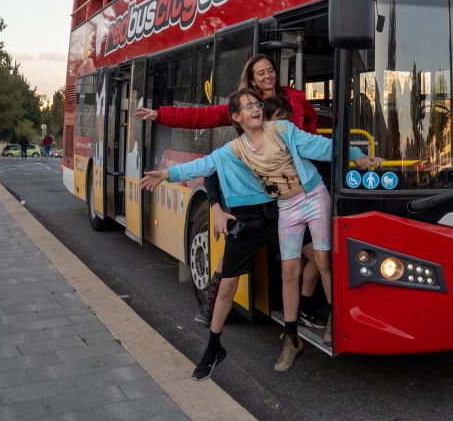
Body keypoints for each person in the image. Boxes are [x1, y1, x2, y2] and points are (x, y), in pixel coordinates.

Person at [141, 90, 376, 377]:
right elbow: (204, 166)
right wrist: (166, 175)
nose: (255, 109)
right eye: (248, 106)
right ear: (237, 117)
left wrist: (355, 154)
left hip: (313, 197)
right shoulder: (235, 149)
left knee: (322, 259)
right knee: (289, 271)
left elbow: (320, 147)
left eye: (257, 104)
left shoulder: (282, 129)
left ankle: (337, 321)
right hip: (286, 206)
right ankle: (291, 339)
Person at [134, 53, 325, 329]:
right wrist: (160, 114)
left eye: (270, 70)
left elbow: (311, 124)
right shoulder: (245, 106)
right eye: (261, 73)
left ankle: (304, 307)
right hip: (254, 189)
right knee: (233, 253)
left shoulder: (293, 98)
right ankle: (212, 304)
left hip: (291, 191)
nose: (268, 75)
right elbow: (200, 117)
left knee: (319, 254)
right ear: (252, 79)